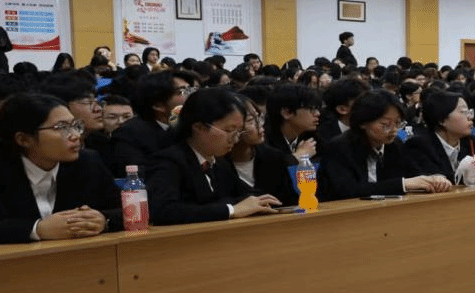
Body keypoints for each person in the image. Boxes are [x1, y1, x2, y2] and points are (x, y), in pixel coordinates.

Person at [144, 88, 281, 225]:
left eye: (239, 131)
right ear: (199, 127)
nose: (235, 139)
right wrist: (231, 210)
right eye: (229, 130)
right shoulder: (168, 162)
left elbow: (244, 195)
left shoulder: (220, 162)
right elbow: (163, 211)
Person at [0, 93, 123, 243]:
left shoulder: (88, 163)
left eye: (75, 126)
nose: (76, 135)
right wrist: (36, 229)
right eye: (62, 127)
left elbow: (126, 210)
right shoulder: (5, 169)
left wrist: (104, 219)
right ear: (24, 139)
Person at [318, 91, 452, 201]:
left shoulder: (395, 144)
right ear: (362, 122)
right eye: (386, 125)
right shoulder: (339, 147)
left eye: (398, 123)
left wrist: (434, 178)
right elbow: (349, 190)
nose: (394, 130)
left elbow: (415, 174)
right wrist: (403, 184)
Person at [111, 70, 198, 170]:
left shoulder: (194, 125)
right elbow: (137, 174)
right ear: (158, 105)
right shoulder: (129, 135)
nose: (192, 95)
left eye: (191, 89)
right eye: (182, 92)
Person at [226, 94, 297, 206]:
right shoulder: (215, 164)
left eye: (259, 118)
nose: (260, 125)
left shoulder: (275, 158)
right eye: (251, 121)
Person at [264, 84, 321, 162]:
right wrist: (298, 156)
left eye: (317, 109)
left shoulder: (312, 137)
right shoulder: (264, 142)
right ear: (287, 113)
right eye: (311, 109)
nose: (317, 113)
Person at [316, 79, 370, 149]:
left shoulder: (371, 129)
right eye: (363, 102)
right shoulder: (323, 138)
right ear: (342, 109)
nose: (370, 105)